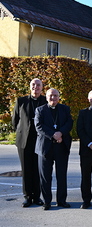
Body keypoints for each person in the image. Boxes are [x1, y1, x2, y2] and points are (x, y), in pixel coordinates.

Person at [34, 88, 73, 210]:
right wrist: (54, 135)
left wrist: (60, 133)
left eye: (55, 96)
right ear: (46, 97)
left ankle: (61, 201)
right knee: (45, 176)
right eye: (51, 96)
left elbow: (69, 123)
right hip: (45, 148)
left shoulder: (65, 109)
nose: (53, 98)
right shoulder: (40, 110)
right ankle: (47, 201)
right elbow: (39, 126)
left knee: (61, 175)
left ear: (59, 97)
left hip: (61, 147)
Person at [12, 78, 47, 208]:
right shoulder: (21, 101)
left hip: (40, 140)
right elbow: (15, 121)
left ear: (42, 87)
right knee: (26, 169)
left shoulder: (45, 101)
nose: (35, 87)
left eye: (38, 85)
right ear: (30, 86)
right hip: (24, 141)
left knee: (38, 169)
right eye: (33, 85)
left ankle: (37, 196)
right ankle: (27, 196)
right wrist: (23, 132)